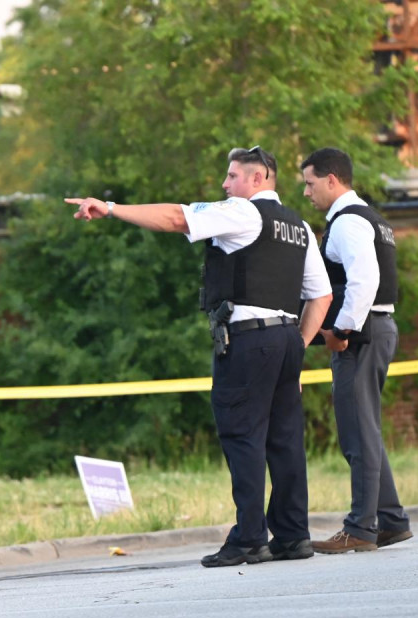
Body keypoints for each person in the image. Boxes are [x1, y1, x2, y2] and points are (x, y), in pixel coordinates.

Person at [66, 146, 332, 568]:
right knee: (284, 442)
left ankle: (249, 538)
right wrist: (297, 348)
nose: (225, 184)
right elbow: (321, 295)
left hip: (249, 340)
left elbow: (177, 217)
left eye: (232, 176)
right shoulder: (298, 226)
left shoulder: (243, 212)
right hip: (286, 339)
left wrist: (112, 208)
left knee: (243, 436)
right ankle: (292, 535)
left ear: (258, 178)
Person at [300, 147, 413, 554]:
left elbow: (364, 281)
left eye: (310, 183)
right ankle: (391, 520)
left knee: (357, 433)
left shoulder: (347, 222)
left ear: (332, 180)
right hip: (379, 328)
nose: (307, 192)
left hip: (361, 334)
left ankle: (361, 527)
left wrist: (341, 330)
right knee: (365, 429)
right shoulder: (372, 218)